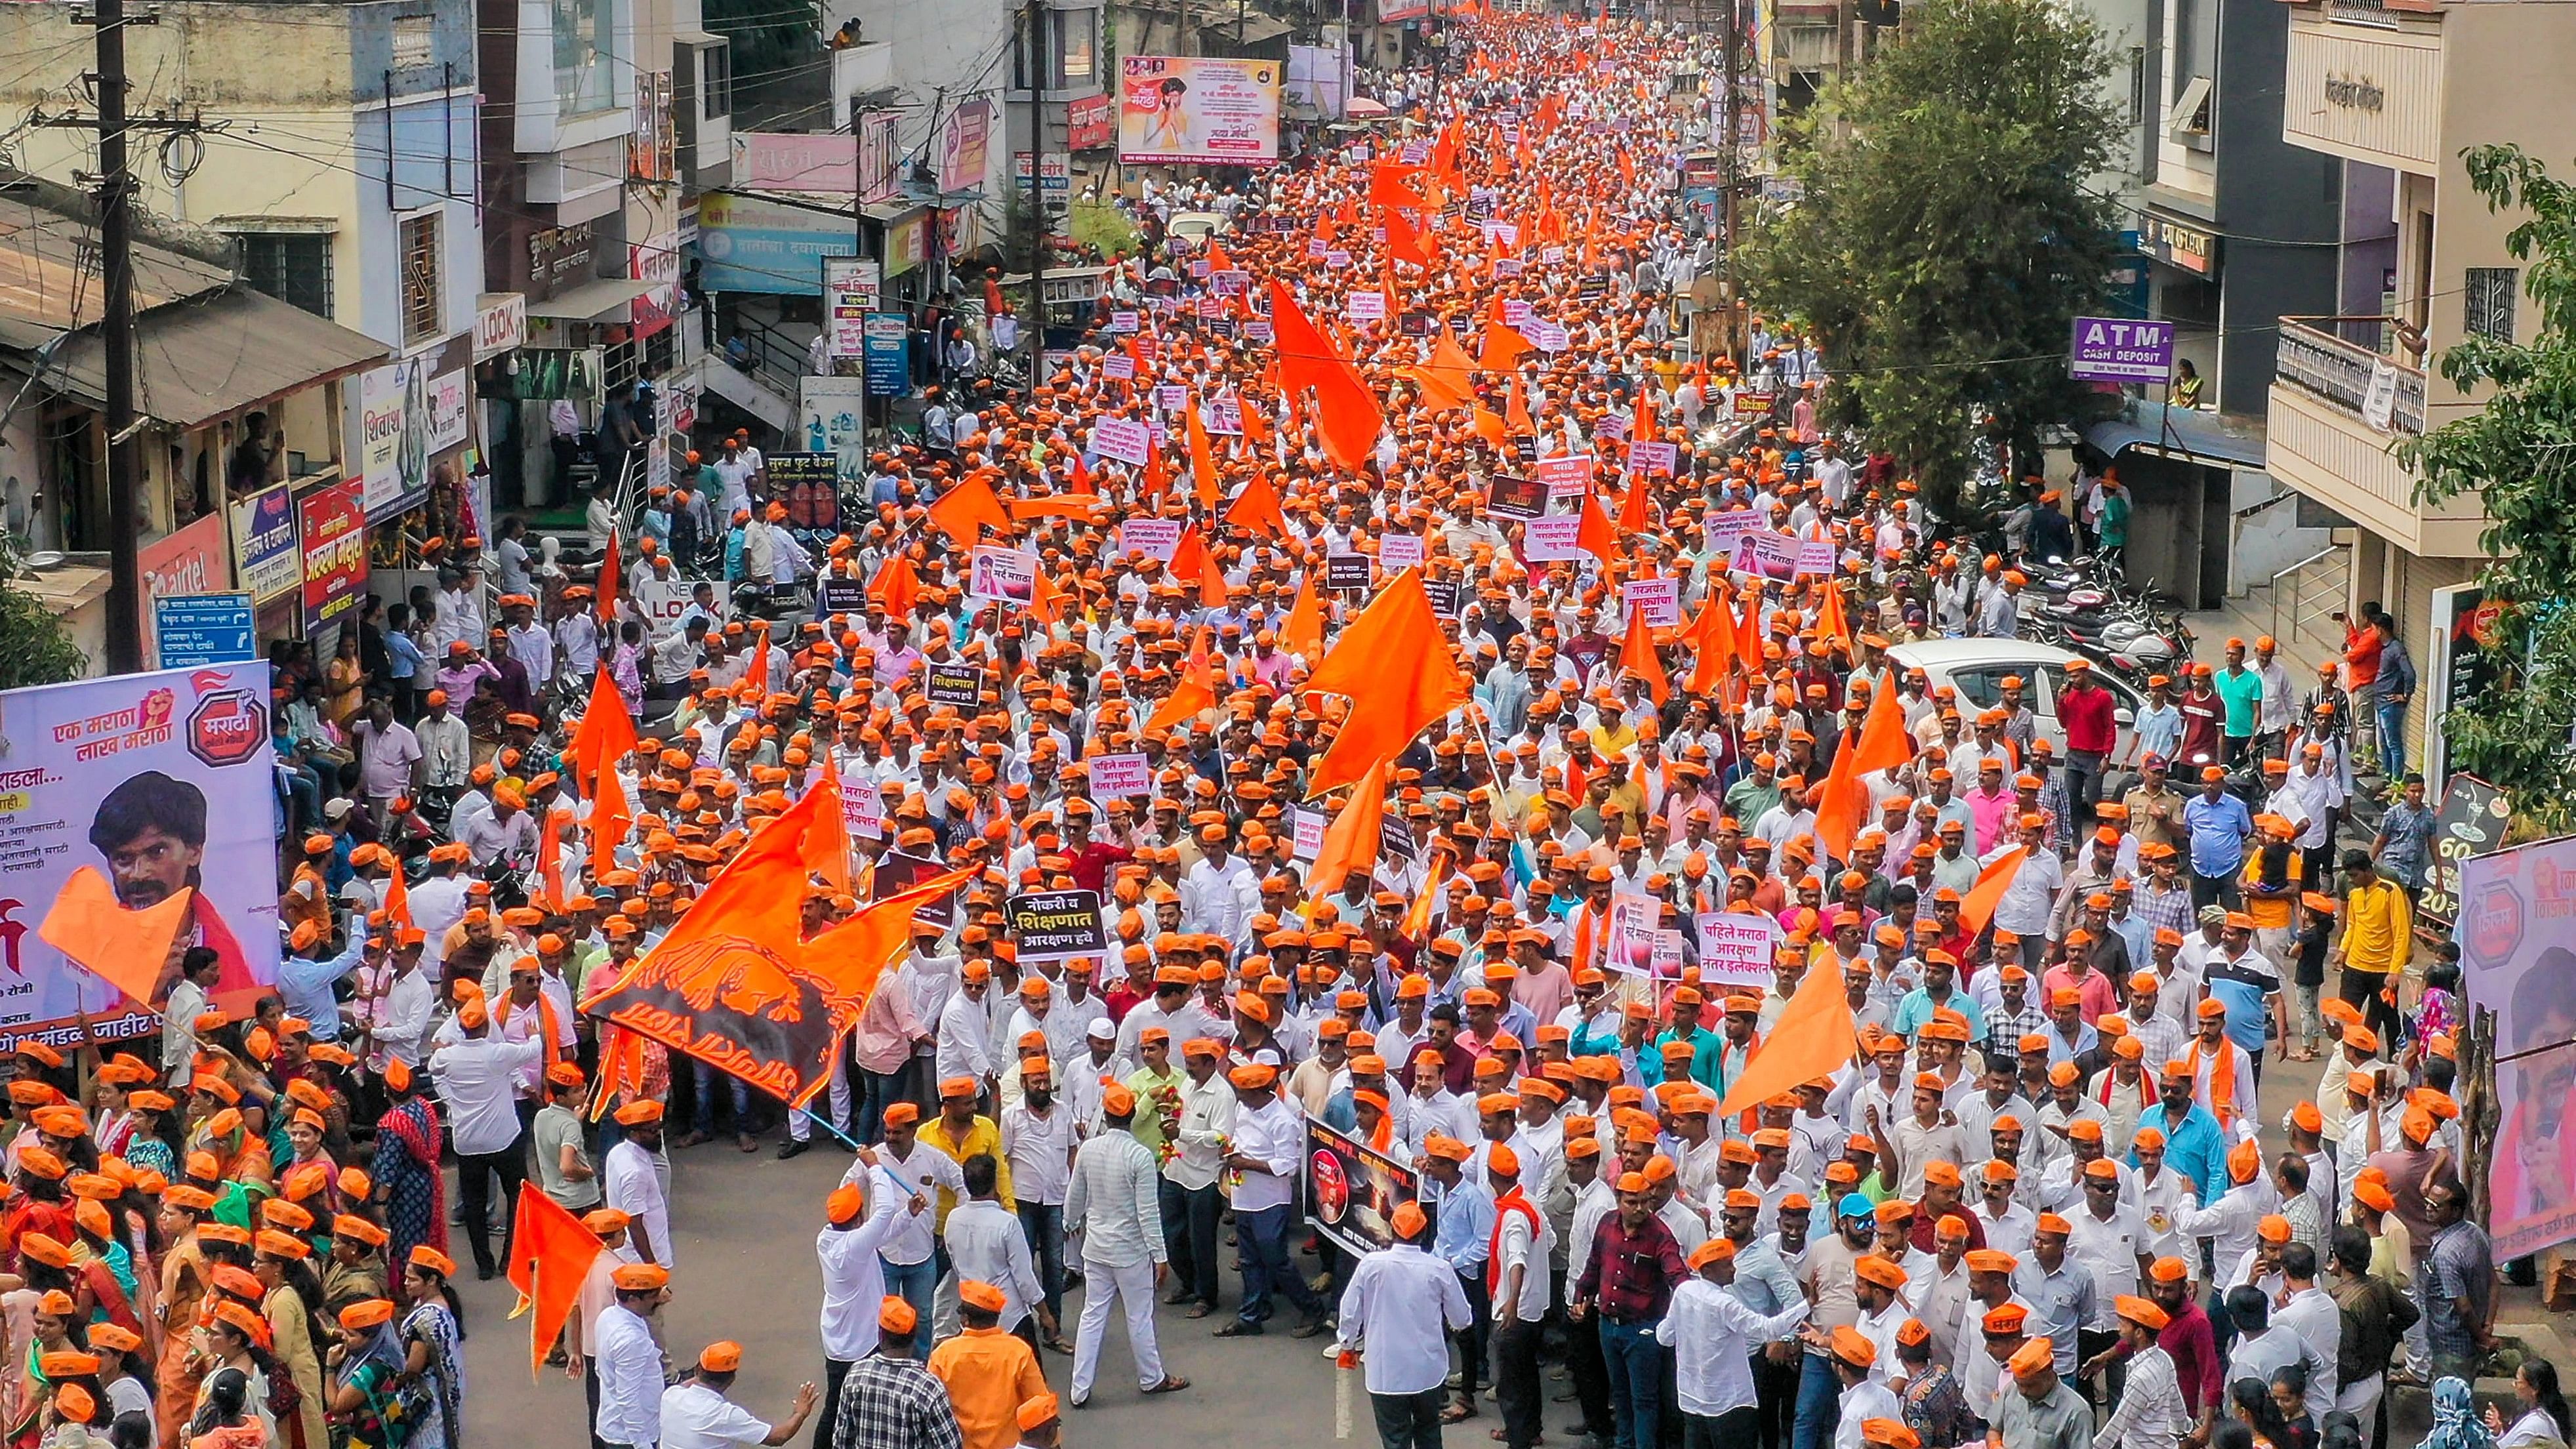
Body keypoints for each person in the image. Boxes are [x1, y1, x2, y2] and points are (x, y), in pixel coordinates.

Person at [1062, 1083, 1186, 1406]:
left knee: (1092, 1315)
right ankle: (1151, 1378)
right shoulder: (1139, 1156)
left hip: (1097, 1249)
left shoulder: (1089, 1150)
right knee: (1139, 1316)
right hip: (1130, 1252)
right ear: (1131, 1117)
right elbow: (1148, 1212)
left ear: (1105, 1116)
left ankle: (1079, 1389)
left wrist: (1070, 1223)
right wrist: (1160, 1256)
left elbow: (1075, 1198)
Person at [1337, 1199, 1473, 1449]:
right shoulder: (1439, 1269)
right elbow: (1463, 1319)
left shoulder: (1371, 1265)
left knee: (1394, 1438)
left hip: (1385, 1372)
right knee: (1429, 1433)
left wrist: (1347, 1344)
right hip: (1427, 1371)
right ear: (1423, 1234)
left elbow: (1349, 1311)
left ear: (1392, 1230)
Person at [827, 1299, 964, 1449]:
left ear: (880, 1335)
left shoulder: (856, 1375)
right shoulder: (928, 1387)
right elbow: (950, 1445)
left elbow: (841, 1440)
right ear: (914, 1338)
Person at [926, 1282, 1047, 1449]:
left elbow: (930, 1407)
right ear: (997, 1317)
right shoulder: (1018, 1351)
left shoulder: (944, 1355)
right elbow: (1039, 1402)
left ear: (965, 1319)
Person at [661, 1341, 819, 1448]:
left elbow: (687, 1384)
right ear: (731, 1379)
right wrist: (800, 1413)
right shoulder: (725, 1415)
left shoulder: (671, 1395)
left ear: (698, 1370)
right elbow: (778, 1437)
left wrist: (703, 1372)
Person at [594, 1263, 672, 1449]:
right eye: (653, 1297)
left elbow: (600, 1369)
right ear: (633, 1299)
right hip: (631, 1437)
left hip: (618, 1424)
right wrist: (642, 1444)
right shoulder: (631, 1340)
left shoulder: (608, 1317)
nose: (660, 1300)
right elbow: (628, 1398)